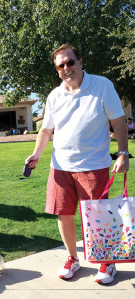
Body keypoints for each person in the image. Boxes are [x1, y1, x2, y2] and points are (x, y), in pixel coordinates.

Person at [25, 44, 129, 284]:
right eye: (60, 66)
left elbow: (119, 121)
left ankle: (107, 262)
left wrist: (122, 152)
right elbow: (46, 129)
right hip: (60, 167)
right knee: (63, 214)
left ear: (80, 62)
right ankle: (72, 258)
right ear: (57, 70)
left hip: (94, 165)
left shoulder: (102, 85)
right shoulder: (55, 95)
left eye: (70, 62)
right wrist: (36, 153)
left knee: (97, 216)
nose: (66, 68)